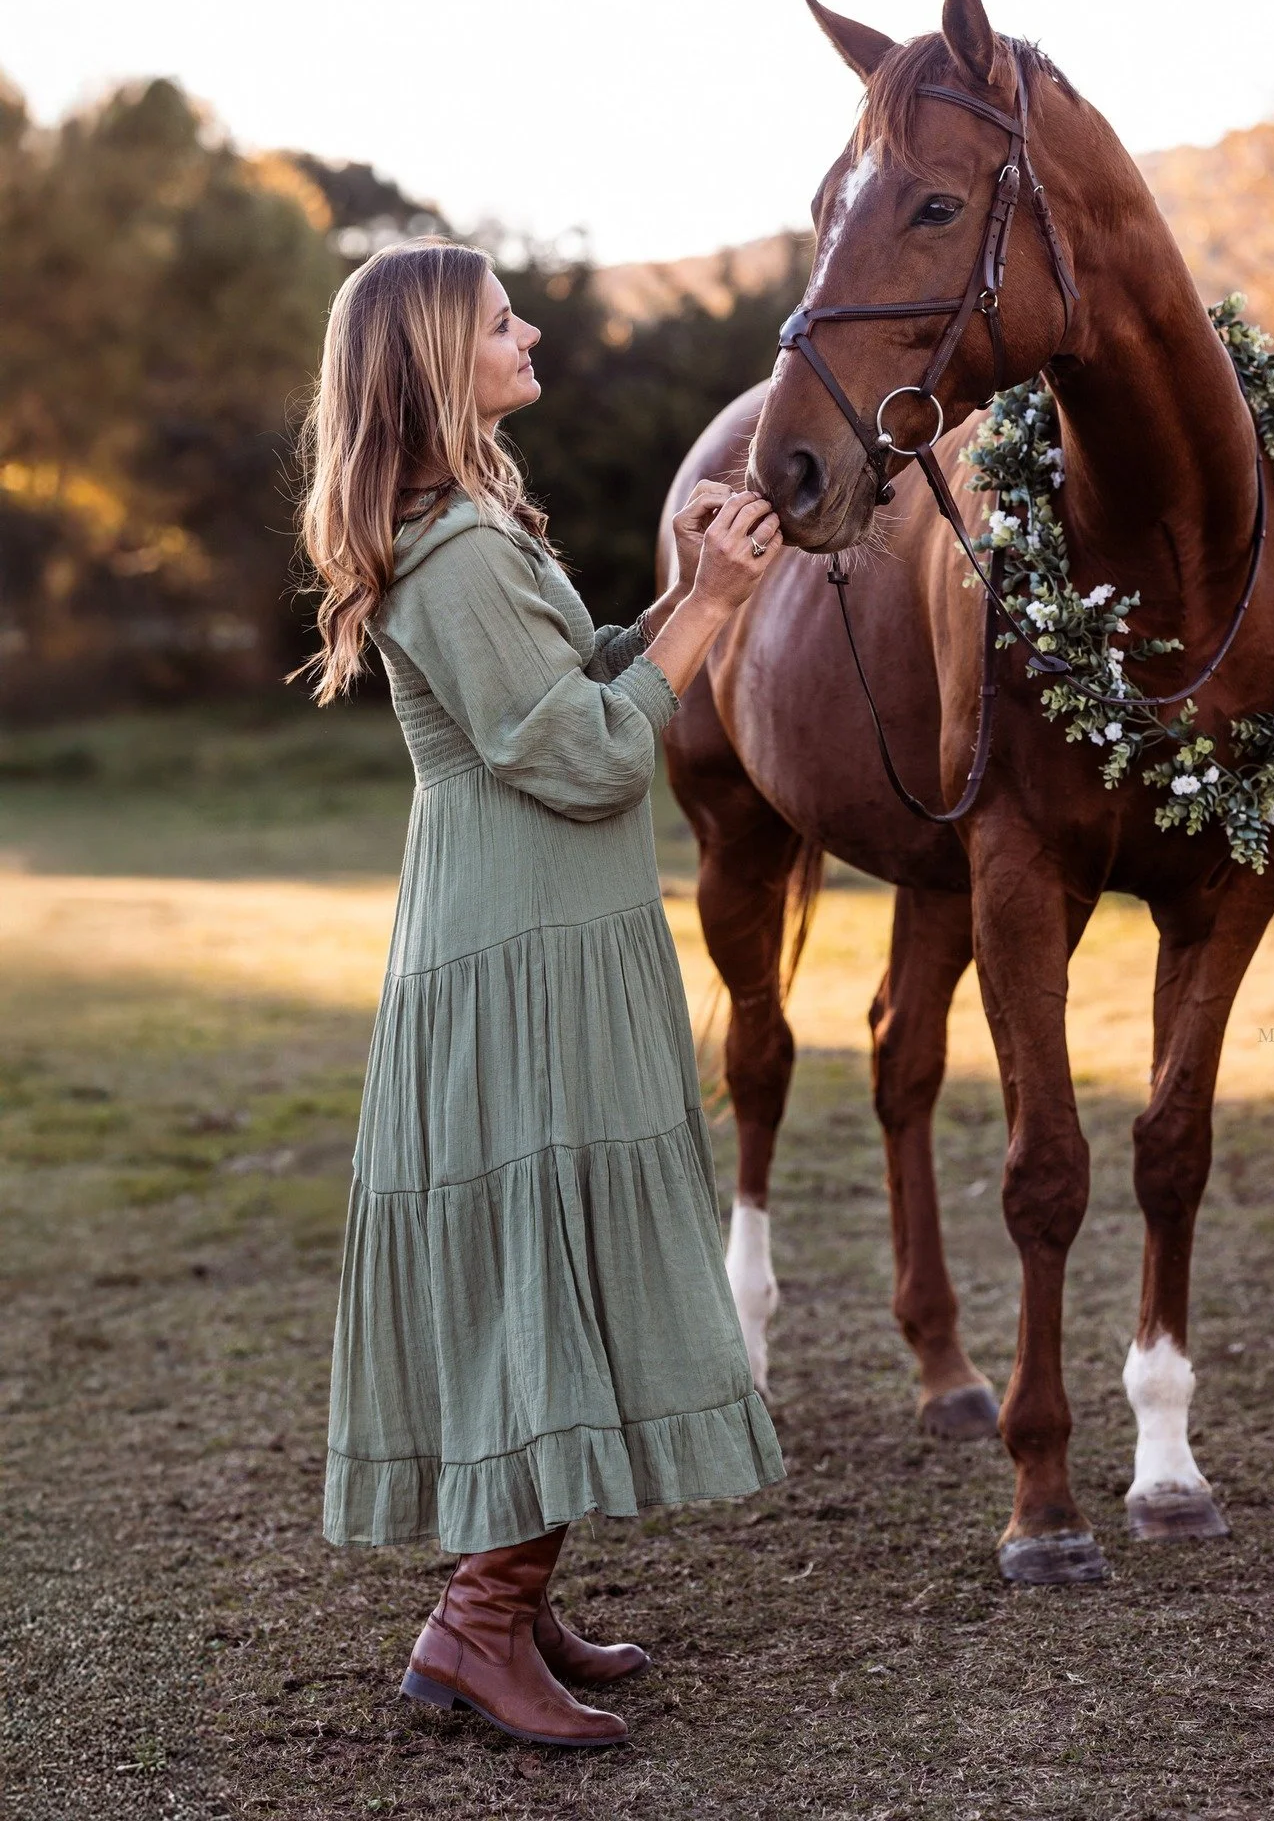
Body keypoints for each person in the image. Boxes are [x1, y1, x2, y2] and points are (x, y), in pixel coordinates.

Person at [292, 237, 785, 1749]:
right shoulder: (448, 553)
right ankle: (475, 1626)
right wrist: (702, 611)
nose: (533, 330)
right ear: (443, 360)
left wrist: (682, 596)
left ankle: (515, 1591)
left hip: (542, 933)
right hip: (518, 952)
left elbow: (573, 690)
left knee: (552, 1252)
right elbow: (580, 757)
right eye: (505, 322)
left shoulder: (477, 530)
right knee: (543, 1254)